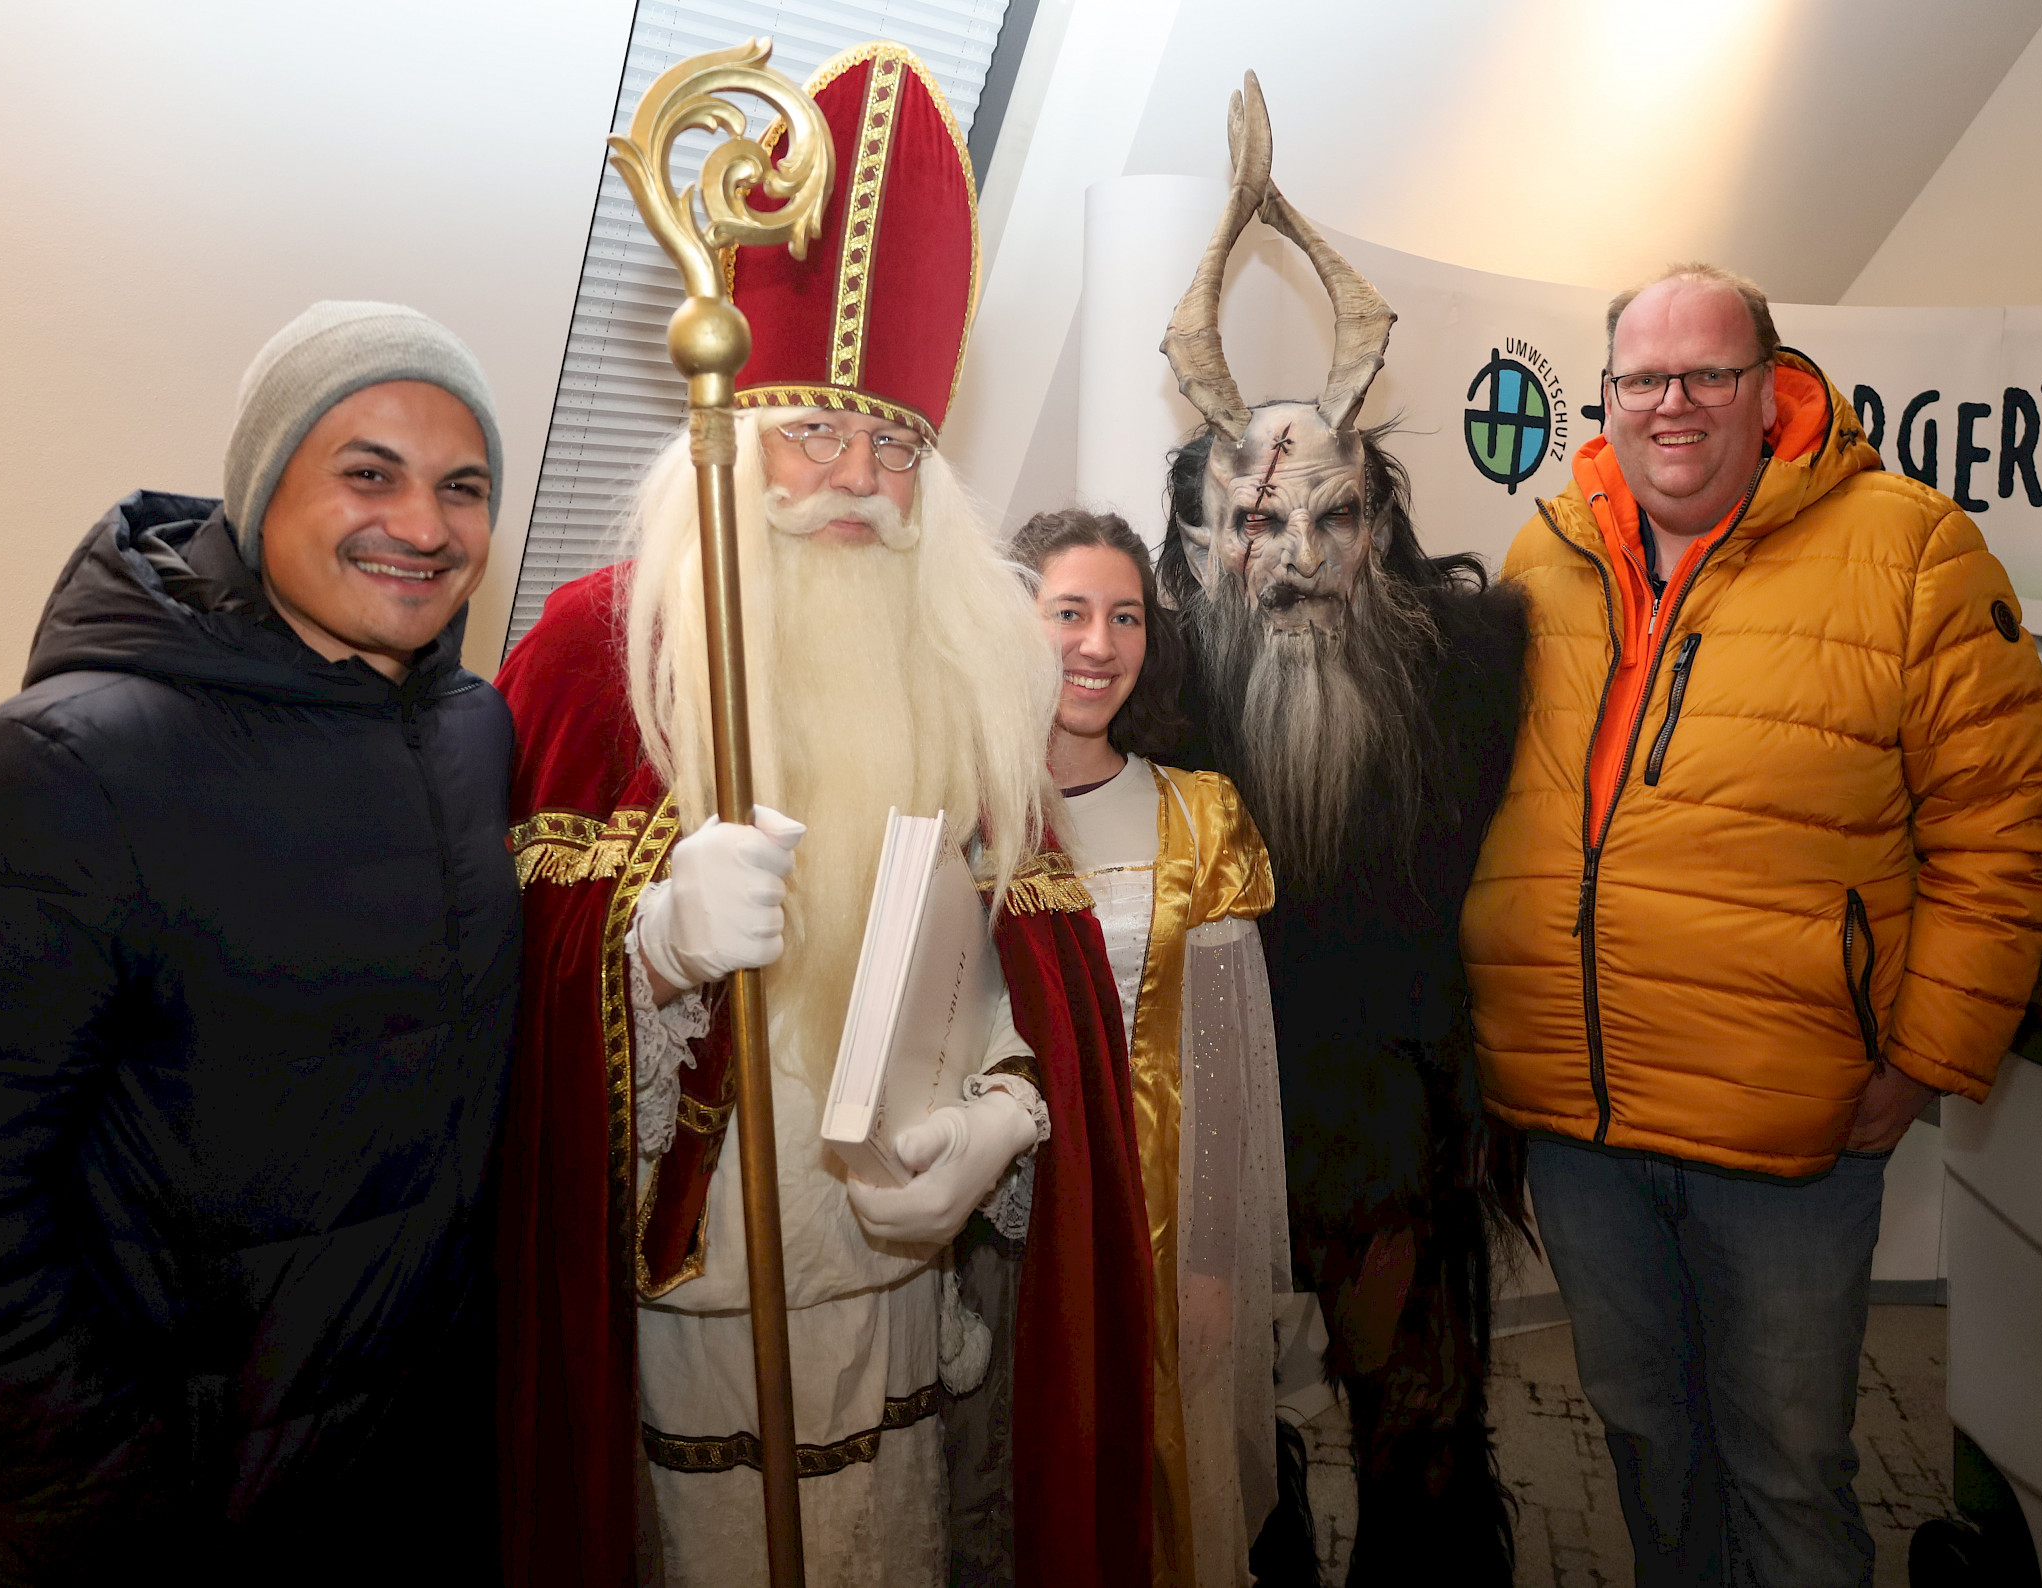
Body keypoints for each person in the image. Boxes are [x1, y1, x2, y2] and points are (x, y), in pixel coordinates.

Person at [493, 43, 1152, 1588]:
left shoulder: (975, 662)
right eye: (812, 430)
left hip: (900, 1286)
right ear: (731, 434)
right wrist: (644, 950)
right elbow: (497, 1024)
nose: (857, 478)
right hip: (698, 1298)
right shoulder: (599, 654)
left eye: (899, 444)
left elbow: (1017, 966)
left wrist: (1006, 1106)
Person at [0, 301, 522, 1586]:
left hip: (377, 1496)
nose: (421, 526)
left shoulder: (471, 733)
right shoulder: (67, 765)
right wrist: (121, 1513)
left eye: (461, 487)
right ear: (261, 490)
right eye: (368, 472)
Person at [1460, 262, 2042, 1586]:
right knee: (1641, 1439)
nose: (1672, 403)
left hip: (1789, 1130)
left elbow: (2010, 826)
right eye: (1641, 378)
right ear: (1606, 396)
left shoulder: (1910, 547)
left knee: (1788, 1467)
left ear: (1771, 389)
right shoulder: (1543, 551)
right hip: (1580, 1124)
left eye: (1706, 374)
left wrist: (1920, 1060)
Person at [1156, 76, 1531, 1584]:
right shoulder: (1161, 692)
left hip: (1396, 1129)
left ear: (1378, 529)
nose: (1297, 558)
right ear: (1203, 541)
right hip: (1229, 1130)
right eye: (1259, 524)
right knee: (1232, 1444)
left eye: (1331, 520)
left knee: (1420, 1435)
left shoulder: (1472, 667)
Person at [1007, 509, 1284, 1588]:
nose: (1097, 643)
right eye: (1067, 611)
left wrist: (1211, 1260)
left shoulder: (1197, 814)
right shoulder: (962, 809)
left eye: (1123, 616)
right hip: (1006, 1228)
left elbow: (1221, 1062)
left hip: (1158, 1225)